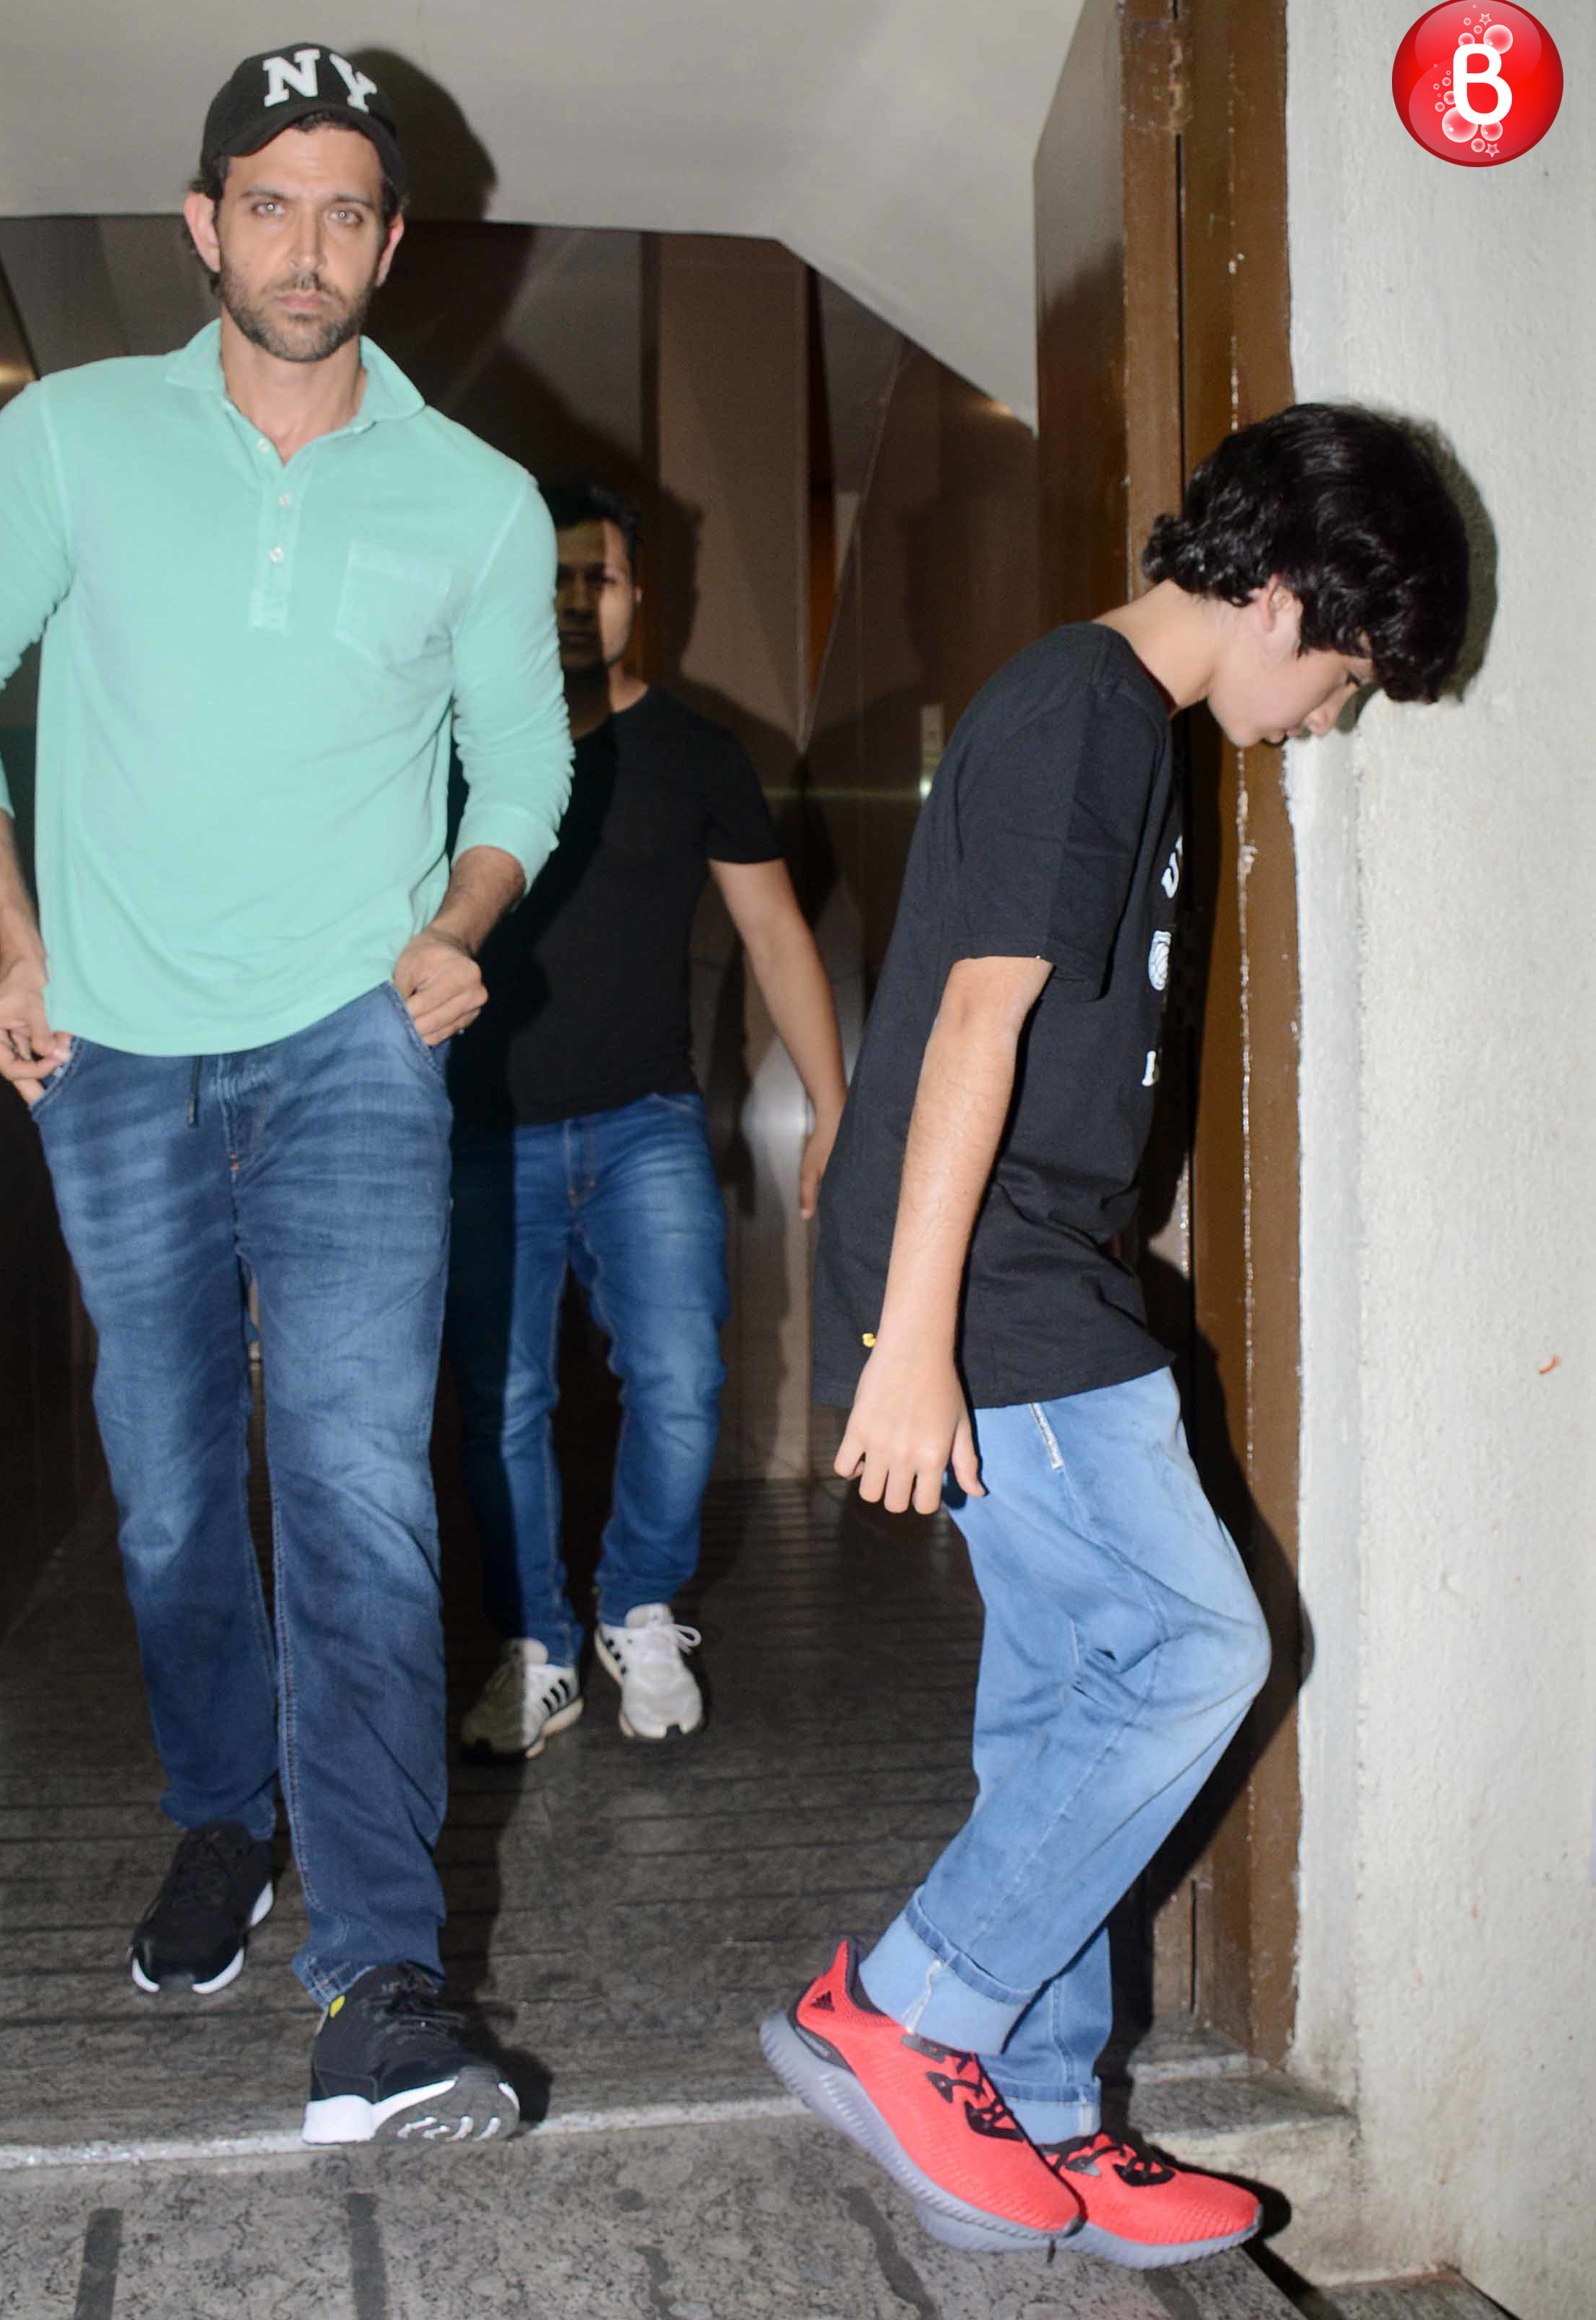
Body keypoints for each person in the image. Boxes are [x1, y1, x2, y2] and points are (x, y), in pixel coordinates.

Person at [0, 43, 572, 2147]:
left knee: (361, 1481)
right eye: (265, 204)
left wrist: (463, 918)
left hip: (360, 1033)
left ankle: (382, 1978)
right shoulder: (76, 442)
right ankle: (219, 1813)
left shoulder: (475, 496)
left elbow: (526, 769)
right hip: (107, 1039)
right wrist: (12, 934)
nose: (305, 244)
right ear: (204, 227)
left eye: (344, 210)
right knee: (175, 1488)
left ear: (388, 242)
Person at [761, 405, 1470, 2266]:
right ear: (1288, 595)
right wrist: (916, 1345)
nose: (1333, 716)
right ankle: (915, 2007)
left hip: (1022, 1264)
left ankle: (1051, 2106)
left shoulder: (1121, 727)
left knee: (1073, 1695)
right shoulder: (1086, 717)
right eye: (1348, 674)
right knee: (1196, 1647)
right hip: (994, 1279)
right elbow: (976, 1033)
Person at [445, 479, 846, 1756]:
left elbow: (777, 935)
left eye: (598, 579)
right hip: (485, 1125)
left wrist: (834, 1105)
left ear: (635, 597)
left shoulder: (695, 752)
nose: (574, 602)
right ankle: (537, 1646)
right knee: (501, 1400)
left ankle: (639, 1604)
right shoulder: (454, 741)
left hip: (646, 1124)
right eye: (553, 579)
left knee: (681, 1381)